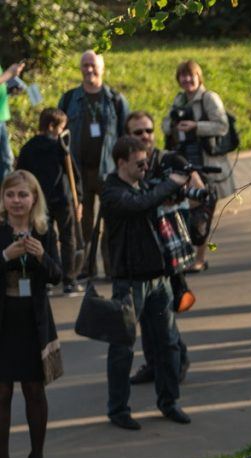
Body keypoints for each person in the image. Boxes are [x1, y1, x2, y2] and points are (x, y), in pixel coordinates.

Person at [100, 135, 190, 429]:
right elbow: (139, 205)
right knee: (122, 348)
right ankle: (118, 410)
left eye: (147, 161)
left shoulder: (144, 183)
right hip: (129, 281)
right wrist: (171, 184)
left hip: (158, 277)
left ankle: (169, 402)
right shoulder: (113, 191)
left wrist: (183, 184)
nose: (145, 166)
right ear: (121, 162)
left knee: (168, 344)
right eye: (139, 163)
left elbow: (156, 199)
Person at [0, 170, 63, 458]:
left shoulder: (43, 229)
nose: (16, 201)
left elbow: (58, 275)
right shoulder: (0, 230)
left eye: (23, 195)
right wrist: (4, 257)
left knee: (35, 392)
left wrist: (41, 256)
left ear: (33, 198)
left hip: (34, 322)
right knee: (2, 394)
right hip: (4, 322)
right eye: (11, 194)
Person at [123, 110, 195, 387]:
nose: (145, 136)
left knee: (164, 312)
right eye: (138, 132)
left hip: (167, 246)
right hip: (141, 248)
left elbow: (197, 191)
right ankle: (154, 363)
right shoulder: (128, 163)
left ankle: (177, 361)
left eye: (148, 131)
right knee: (146, 314)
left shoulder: (169, 159)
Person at [58, 51, 129, 279]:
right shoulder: (69, 99)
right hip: (78, 173)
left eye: (93, 65)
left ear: (102, 68)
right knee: (83, 225)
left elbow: (126, 136)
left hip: (108, 172)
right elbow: (59, 135)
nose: (89, 69)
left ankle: (113, 268)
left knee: (111, 224)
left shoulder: (115, 100)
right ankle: (85, 269)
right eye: (85, 65)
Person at [162, 59, 237, 271]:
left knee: (202, 213)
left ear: (198, 77)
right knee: (186, 210)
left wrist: (196, 126)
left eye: (190, 75)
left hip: (208, 164)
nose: (187, 80)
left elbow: (221, 126)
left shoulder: (209, 98)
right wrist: (174, 125)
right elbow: (165, 125)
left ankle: (199, 259)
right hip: (185, 162)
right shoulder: (179, 101)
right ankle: (190, 256)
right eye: (183, 76)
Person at [15, 107, 84, 296]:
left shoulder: (28, 148)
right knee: (68, 238)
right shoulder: (61, 147)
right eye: (61, 127)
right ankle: (69, 279)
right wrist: (79, 199)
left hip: (39, 202)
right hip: (62, 199)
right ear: (52, 126)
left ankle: (49, 278)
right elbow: (74, 175)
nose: (63, 131)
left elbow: (21, 174)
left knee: (45, 239)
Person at [0, 60, 27, 182]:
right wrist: (9, 74)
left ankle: (6, 194)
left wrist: (9, 88)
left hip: (1, 118)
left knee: (6, 160)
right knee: (6, 160)